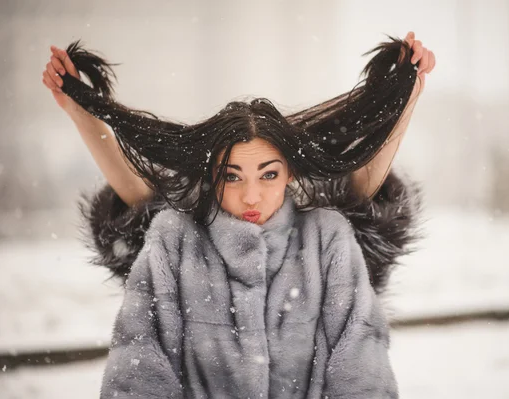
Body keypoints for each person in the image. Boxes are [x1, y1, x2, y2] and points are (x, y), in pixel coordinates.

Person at [42, 32, 435, 398]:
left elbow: (361, 369)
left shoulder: (326, 238)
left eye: (268, 174)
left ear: (289, 174)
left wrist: (407, 95)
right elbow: (138, 368)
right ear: (213, 177)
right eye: (233, 176)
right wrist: (80, 110)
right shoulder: (174, 241)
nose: (252, 195)